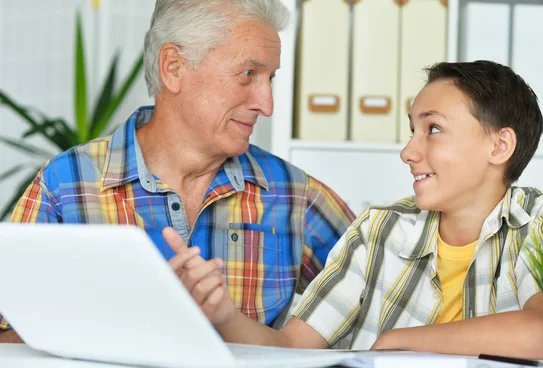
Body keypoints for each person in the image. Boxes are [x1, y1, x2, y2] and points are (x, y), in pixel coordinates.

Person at [0, 0, 355, 343]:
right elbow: (6, 337)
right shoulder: (65, 185)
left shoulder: (294, 193)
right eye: (248, 74)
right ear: (173, 67)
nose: (267, 104)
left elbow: (377, 315)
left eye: (270, 78)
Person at [166, 60, 543, 360]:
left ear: (499, 146)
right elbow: (289, 346)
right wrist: (221, 314)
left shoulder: (539, 225)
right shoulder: (380, 231)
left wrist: (402, 341)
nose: (409, 152)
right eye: (412, 130)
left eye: (434, 129)